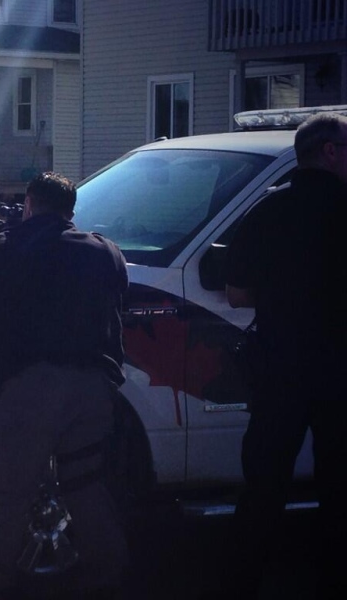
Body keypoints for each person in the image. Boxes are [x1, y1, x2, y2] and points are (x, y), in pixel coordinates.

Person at [0, 171, 130, 598]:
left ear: (29, 205)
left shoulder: (6, 249)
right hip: (95, 390)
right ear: (71, 211)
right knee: (86, 487)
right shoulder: (104, 252)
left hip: (31, 393)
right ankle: (111, 578)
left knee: (4, 496)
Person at [223, 111, 347, 598]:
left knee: (263, 488)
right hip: (340, 372)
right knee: (339, 491)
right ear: (331, 152)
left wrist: (282, 295)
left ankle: (242, 582)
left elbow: (234, 293)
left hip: (279, 367)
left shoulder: (267, 210)